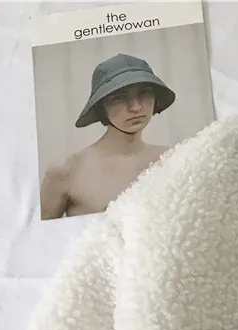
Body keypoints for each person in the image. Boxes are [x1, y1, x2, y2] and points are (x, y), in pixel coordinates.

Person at [40, 53, 175, 220]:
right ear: (101, 106)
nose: (135, 107)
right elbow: (42, 234)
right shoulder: (67, 170)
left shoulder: (172, 159)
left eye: (144, 93)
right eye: (119, 98)